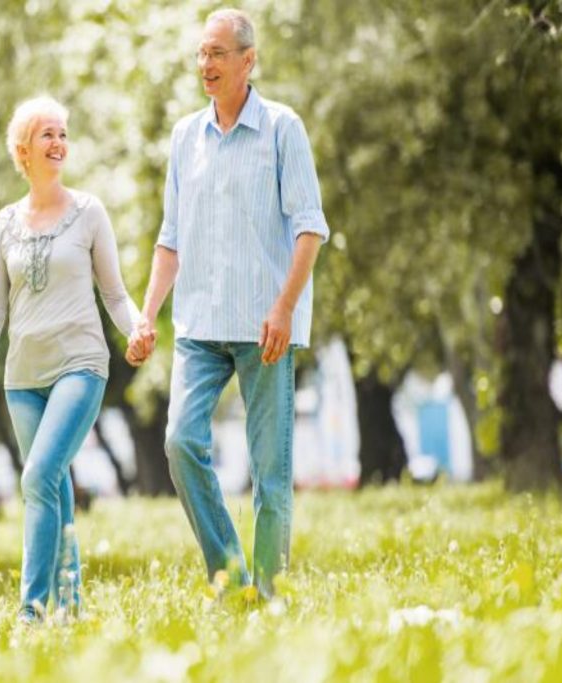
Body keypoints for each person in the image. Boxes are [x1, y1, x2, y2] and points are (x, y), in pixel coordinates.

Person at [127, 8, 330, 600]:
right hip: (198, 327)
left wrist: (286, 307)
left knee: (270, 475)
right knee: (180, 442)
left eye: (217, 53)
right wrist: (146, 314)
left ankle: (266, 595)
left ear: (249, 59)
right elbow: (171, 239)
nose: (205, 65)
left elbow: (309, 228)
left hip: (264, 326)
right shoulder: (184, 137)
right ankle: (232, 575)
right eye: (201, 54)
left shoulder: (282, 129)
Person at [0, 96, 140, 624]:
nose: (59, 143)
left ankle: (31, 609)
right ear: (24, 149)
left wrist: (137, 330)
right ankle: (70, 607)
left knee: (38, 472)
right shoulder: (5, 223)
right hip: (22, 379)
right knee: (54, 484)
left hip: (80, 365)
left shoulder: (89, 213)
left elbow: (114, 293)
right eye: (48, 134)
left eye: (63, 133)